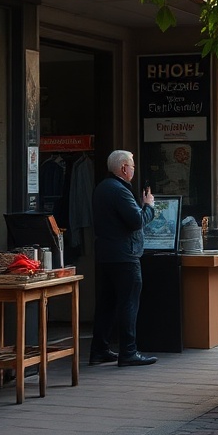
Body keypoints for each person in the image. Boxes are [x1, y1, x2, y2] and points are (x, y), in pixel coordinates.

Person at [89, 150, 158, 367]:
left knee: (106, 304)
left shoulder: (102, 187)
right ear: (124, 168)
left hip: (106, 255)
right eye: (133, 166)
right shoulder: (120, 190)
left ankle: (99, 350)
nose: (134, 171)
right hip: (125, 256)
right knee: (128, 303)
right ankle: (128, 352)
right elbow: (136, 221)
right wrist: (149, 206)